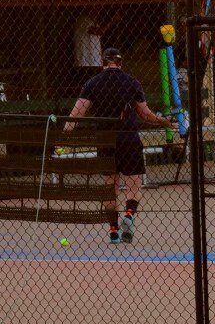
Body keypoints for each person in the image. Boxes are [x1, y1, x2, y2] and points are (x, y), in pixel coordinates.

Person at [66, 48, 173, 245]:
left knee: (110, 187)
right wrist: (162, 121)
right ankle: (129, 215)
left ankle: (114, 232)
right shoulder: (132, 82)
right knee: (134, 184)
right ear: (121, 63)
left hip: (106, 141)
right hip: (129, 138)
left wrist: (65, 132)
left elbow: (77, 113)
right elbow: (145, 114)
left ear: (103, 63)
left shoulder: (92, 83)